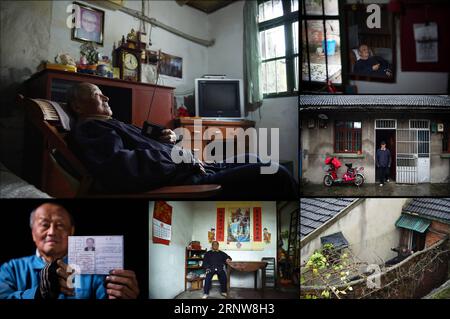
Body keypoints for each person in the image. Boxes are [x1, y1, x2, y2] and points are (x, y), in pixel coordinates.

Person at [66, 82, 298, 199]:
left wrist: (166, 139)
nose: (106, 97)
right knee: (275, 173)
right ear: (78, 106)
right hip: (184, 180)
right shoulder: (91, 128)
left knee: (253, 157)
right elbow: (122, 166)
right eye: (98, 94)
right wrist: (178, 157)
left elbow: (144, 148)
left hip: (193, 168)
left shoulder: (112, 124)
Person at [0, 203, 139, 299]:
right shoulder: (10, 268)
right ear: (32, 233)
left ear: (71, 231)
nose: (52, 232)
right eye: (44, 225)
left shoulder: (94, 269)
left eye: (60, 225)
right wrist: (37, 293)